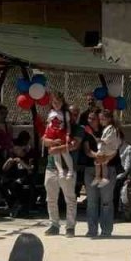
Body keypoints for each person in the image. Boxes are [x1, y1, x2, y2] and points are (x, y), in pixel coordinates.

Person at [41, 93, 79, 237]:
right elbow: (44, 140)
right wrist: (52, 143)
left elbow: (72, 146)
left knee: (69, 198)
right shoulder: (51, 118)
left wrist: (55, 148)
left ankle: (70, 226)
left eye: (75, 113)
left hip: (66, 167)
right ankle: (54, 224)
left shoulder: (76, 129)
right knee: (51, 198)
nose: (73, 115)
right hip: (51, 167)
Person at [83, 110, 118, 239]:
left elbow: (115, 149)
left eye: (93, 118)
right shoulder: (87, 133)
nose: (90, 121)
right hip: (90, 169)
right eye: (89, 118)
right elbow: (87, 150)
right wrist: (95, 155)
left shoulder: (110, 130)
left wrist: (105, 157)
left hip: (108, 168)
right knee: (91, 202)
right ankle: (92, 230)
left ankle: (106, 230)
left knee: (106, 201)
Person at [92, 109, 120, 188]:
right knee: (102, 163)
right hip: (108, 149)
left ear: (109, 119)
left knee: (98, 160)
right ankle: (101, 177)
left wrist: (100, 140)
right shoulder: (109, 128)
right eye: (100, 119)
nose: (101, 121)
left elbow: (108, 139)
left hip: (109, 149)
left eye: (103, 119)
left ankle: (101, 177)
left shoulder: (111, 129)